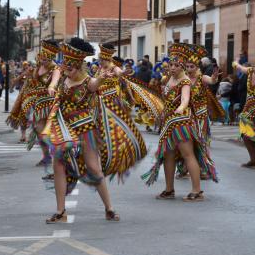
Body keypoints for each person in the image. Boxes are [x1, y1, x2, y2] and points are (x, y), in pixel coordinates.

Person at [41, 38, 120, 223]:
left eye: (71, 67)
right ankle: (60, 212)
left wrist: (102, 78)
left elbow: (95, 84)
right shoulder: (62, 75)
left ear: (79, 66)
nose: (67, 69)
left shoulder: (87, 81)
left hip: (85, 128)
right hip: (63, 128)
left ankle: (109, 208)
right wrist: (52, 87)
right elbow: (54, 79)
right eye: (66, 65)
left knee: (93, 168)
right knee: (58, 165)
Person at [142, 43, 218, 201]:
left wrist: (181, 107)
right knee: (168, 155)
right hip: (169, 123)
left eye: (177, 65)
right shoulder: (169, 79)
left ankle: (196, 191)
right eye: (171, 65)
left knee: (188, 154)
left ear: (182, 66)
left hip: (182, 122)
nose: (173, 68)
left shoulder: (185, 82)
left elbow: (185, 99)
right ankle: (169, 189)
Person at [95, 43, 147, 180]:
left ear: (108, 59)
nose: (101, 61)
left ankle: (120, 157)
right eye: (100, 59)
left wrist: (123, 73)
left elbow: (120, 74)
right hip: (99, 104)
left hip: (113, 104)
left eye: (103, 59)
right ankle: (105, 158)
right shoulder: (99, 69)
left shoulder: (114, 68)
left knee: (114, 132)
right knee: (100, 132)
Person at [27, 41, 61, 166]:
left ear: (52, 57)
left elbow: (55, 80)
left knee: (49, 131)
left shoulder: (56, 68)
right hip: (39, 103)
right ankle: (46, 156)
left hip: (51, 102)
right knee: (38, 130)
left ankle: (56, 156)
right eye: (43, 58)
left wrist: (52, 86)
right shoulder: (38, 67)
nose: (44, 61)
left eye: (47, 59)